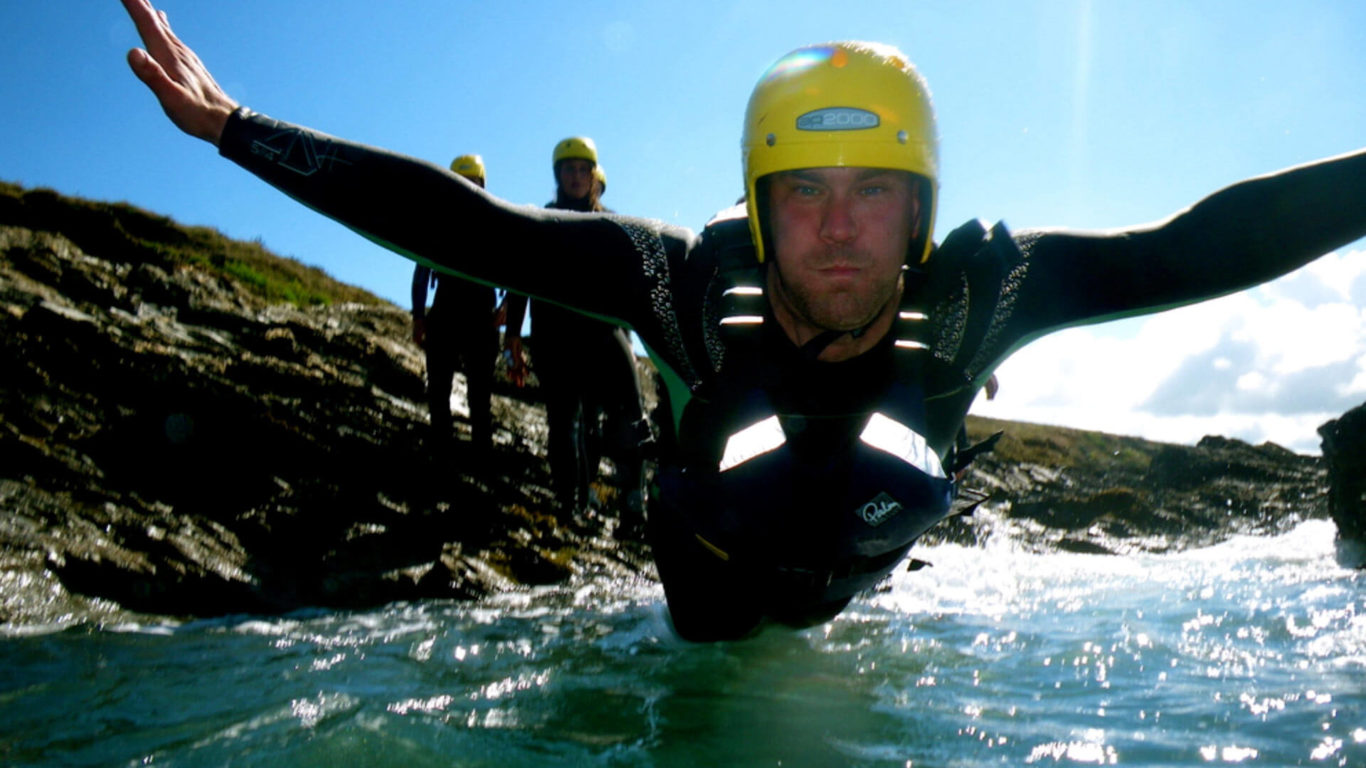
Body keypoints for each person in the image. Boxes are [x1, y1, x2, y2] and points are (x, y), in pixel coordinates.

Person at [122, 0, 1366, 641]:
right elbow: (472, 230)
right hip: (709, 576)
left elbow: (1198, 247)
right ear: (756, 211)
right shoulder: (674, 282)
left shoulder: (983, 292)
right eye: (805, 195)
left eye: (874, 193)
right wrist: (240, 131)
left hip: (859, 551)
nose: (838, 227)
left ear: (922, 212)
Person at [501, 138, 650, 523]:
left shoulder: (613, 224)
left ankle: (634, 498)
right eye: (569, 169)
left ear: (594, 176)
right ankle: (573, 503)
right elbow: (520, 281)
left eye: (584, 170)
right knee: (565, 422)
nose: (577, 176)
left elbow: (631, 287)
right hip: (554, 337)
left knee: (631, 412)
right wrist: (512, 338)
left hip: (603, 334)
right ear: (558, 176)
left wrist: (633, 337)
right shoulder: (541, 220)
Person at [411, 154, 499, 455]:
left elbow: (516, 269)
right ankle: (441, 451)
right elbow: (421, 271)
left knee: (480, 397)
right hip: (444, 315)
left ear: (482, 186)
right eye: (459, 182)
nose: (465, 188)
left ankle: (482, 458)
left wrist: (508, 310)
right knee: (437, 390)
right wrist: (418, 316)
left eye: (472, 183)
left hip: (481, 320)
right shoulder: (437, 225)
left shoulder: (495, 224)